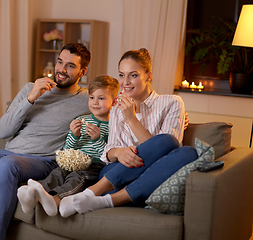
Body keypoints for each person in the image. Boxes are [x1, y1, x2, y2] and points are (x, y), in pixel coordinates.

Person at [0, 43, 91, 240]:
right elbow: (3, 131)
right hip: (6, 155)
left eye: (70, 66)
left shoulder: (87, 99)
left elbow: (109, 109)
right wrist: (30, 99)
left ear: (83, 71)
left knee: (7, 164)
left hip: (42, 162)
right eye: (60, 62)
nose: (62, 70)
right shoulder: (32, 88)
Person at [59, 48, 198, 217]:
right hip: (116, 173)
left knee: (185, 151)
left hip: (153, 174)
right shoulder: (117, 108)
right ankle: (94, 192)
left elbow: (166, 151)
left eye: (133, 75)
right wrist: (120, 152)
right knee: (168, 142)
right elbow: (108, 152)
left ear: (148, 76)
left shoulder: (172, 103)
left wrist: (131, 119)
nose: (125, 82)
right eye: (121, 75)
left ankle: (103, 199)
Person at [17, 75, 119, 217]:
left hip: (95, 166)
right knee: (57, 173)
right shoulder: (81, 120)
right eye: (91, 97)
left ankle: (55, 200)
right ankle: (31, 194)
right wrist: (74, 135)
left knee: (77, 178)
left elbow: (109, 156)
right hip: (74, 162)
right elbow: (67, 151)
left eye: (101, 98)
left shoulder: (115, 126)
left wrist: (97, 139)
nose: (95, 102)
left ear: (114, 102)